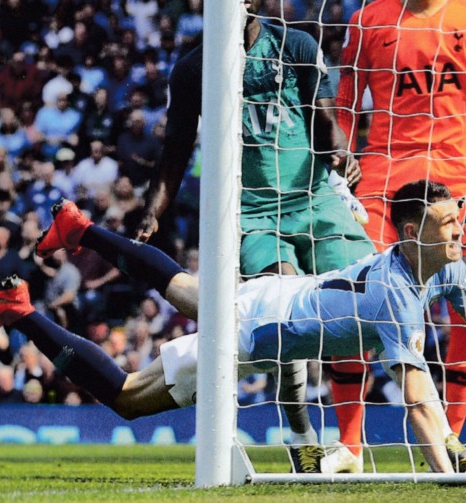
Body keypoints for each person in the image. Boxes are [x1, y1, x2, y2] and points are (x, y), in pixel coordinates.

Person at [0, 182, 466, 473]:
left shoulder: (442, 270)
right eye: (446, 225)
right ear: (411, 232)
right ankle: (21, 309)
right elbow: (417, 395)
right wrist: (442, 473)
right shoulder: (393, 292)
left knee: (187, 289)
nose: (458, 232)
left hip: (280, 294)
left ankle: (78, 229)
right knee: (130, 396)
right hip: (258, 327)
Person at [134, 0, 375, 473]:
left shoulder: (296, 45)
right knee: (281, 317)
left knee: (370, 297)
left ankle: (430, 434)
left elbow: (324, 121)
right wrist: (152, 212)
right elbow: (176, 150)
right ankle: (301, 431)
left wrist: (343, 157)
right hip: (251, 212)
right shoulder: (191, 70)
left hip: (313, 198)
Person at [334, 0, 466, 470]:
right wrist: (336, 167)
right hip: (381, 181)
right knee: (356, 304)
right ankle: (349, 446)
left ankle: (449, 439)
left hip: (462, 182)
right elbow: (345, 103)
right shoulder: (368, 19)